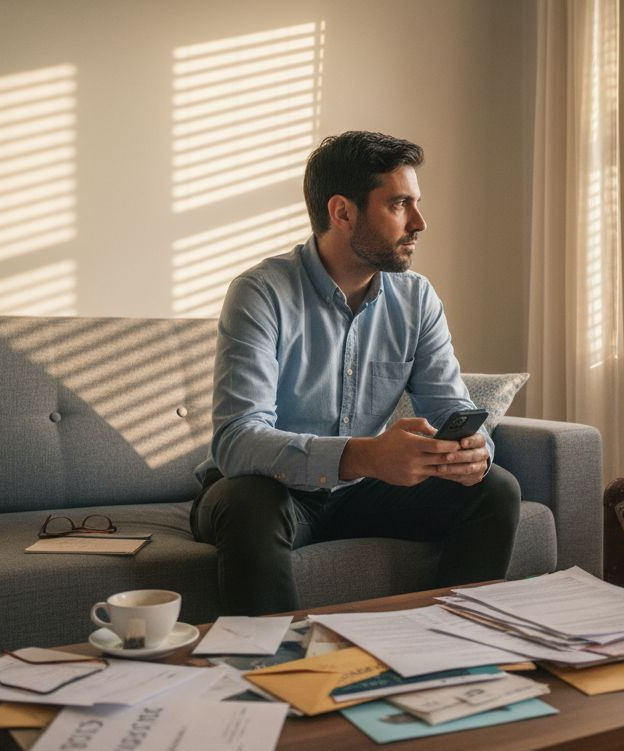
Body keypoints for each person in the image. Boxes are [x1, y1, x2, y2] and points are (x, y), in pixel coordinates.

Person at [191, 130, 522, 615]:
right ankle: (270, 666)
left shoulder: (416, 298)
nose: (420, 223)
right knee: (249, 504)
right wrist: (365, 457)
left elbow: (448, 406)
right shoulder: (261, 293)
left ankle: (456, 647)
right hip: (271, 491)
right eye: (400, 205)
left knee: (495, 489)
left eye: (417, 204)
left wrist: (472, 451)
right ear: (342, 211)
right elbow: (238, 439)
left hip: (361, 494)